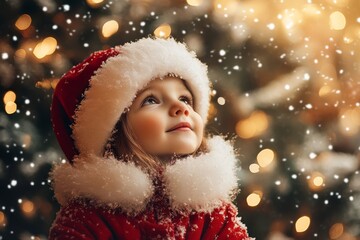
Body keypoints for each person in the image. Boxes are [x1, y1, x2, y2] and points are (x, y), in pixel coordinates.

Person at [49, 37, 253, 239]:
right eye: (151, 100)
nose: (181, 108)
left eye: (185, 99)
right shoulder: (85, 217)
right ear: (113, 129)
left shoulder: (214, 211)